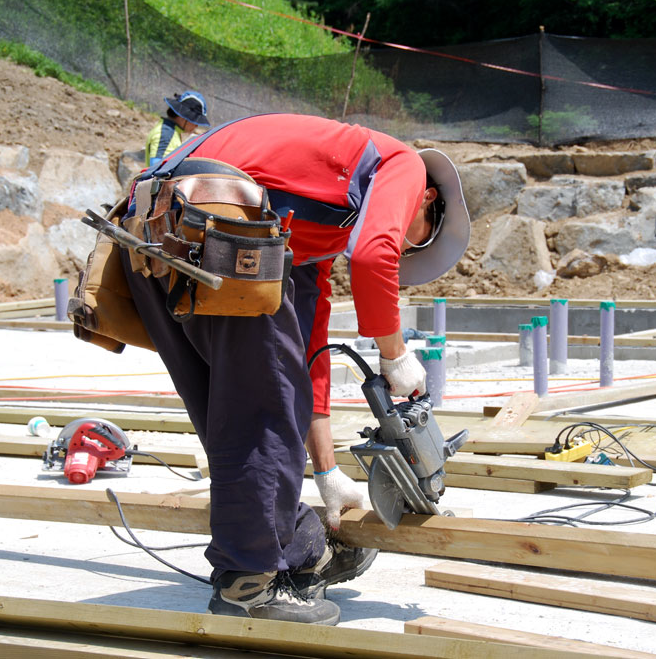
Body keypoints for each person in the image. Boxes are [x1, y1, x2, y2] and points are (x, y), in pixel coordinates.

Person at [121, 113, 470, 625]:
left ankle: (297, 548)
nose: (402, 247)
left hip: (154, 234)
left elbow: (309, 349)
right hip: (217, 229)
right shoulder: (403, 165)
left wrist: (327, 472)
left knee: (235, 413)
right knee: (262, 414)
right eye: (414, 241)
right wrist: (394, 354)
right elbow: (372, 256)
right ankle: (249, 584)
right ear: (428, 200)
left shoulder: (317, 224)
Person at [144, 90, 210, 167]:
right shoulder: (166, 134)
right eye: (194, 121)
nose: (196, 126)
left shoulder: (171, 131)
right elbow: (157, 169)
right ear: (184, 116)